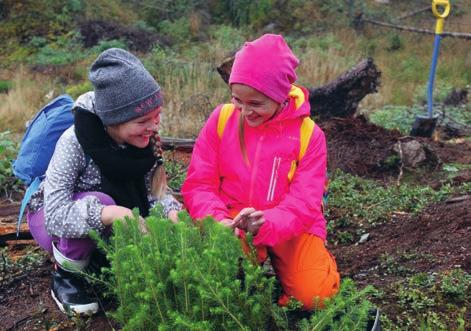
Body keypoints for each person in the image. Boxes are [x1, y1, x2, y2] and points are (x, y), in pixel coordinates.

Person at [182, 34, 340, 310]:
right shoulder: (221, 119)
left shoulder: (309, 135)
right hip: (232, 223)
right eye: (237, 100)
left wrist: (265, 224)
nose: (244, 111)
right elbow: (199, 185)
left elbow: (304, 205)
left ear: (280, 96)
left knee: (314, 296)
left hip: (292, 227)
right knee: (217, 282)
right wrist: (216, 221)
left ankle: (286, 277)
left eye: (256, 104)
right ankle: (250, 274)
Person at [26, 48, 181, 315]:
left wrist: (172, 212)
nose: (154, 126)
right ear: (113, 121)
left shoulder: (143, 140)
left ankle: (97, 261)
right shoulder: (74, 142)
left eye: (157, 116)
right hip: (50, 219)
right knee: (100, 201)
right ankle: (67, 277)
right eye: (143, 120)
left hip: (102, 221)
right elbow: (54, 215)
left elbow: (153, 193)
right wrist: (112, 213)